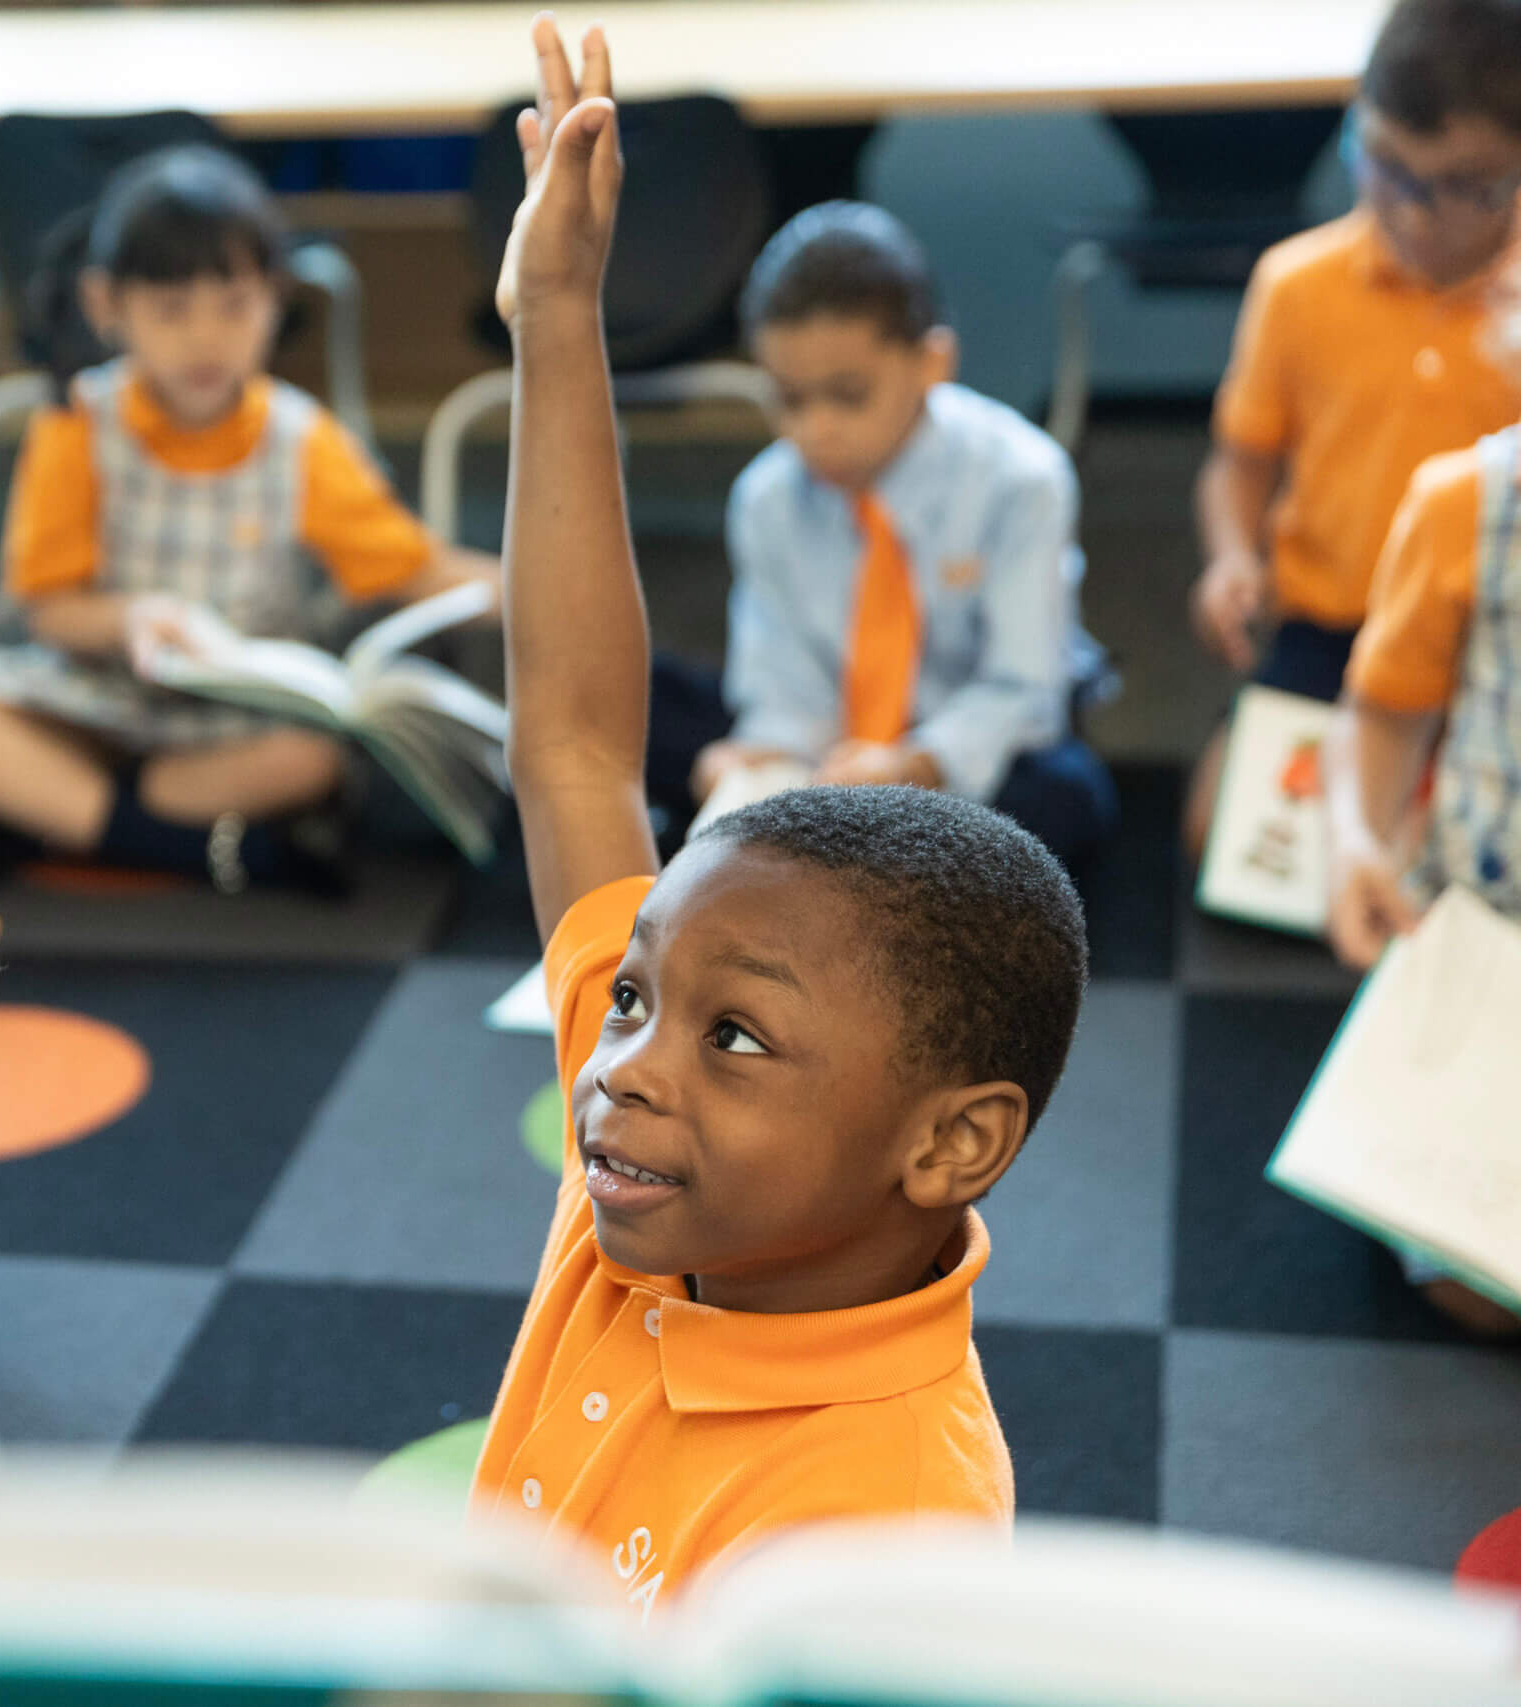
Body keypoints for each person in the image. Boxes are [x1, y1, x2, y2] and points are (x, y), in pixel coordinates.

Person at [474, 18, 1088, 1603]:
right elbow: (575, 752)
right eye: (631, 997)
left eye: (731, 1035)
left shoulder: (894, 1524)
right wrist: (555, 318)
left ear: (952, 1142)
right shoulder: (676, 1189)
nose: (615, 1073)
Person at [0, 144, 497, 895]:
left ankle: (76, 817)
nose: (205, 337)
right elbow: (49, 610)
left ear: (275, 300)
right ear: (105, 306)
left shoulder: (300, 436)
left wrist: (524, 590)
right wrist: (130, 619)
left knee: (313, 760)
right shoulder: (79, 421)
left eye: (235, 305)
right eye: (172, 309)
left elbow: (412, 567)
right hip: (96, 701)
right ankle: (183, 845)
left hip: (235, 723)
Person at [644, 200, 1115, 870]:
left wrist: (912, 764)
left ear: (933, 362)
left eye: (847, 395)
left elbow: (1024, 690)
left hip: (959, 752)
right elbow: (781, 680)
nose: (816, 430)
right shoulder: (767, 495)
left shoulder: (1021, 477)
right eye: (789, 399)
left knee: (1066, 798)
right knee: (636, 707)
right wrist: (763, 757)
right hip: (833, 755)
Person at [1186, 0, 1521, 854]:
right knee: (1218, 831)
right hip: (1332, 624)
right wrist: (1232, 556)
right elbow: (1241, 461)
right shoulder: (1296, 286)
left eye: (1462, 186)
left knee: (1441, 845)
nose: (1411, 213)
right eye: (1386, 167)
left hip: (1489, 634)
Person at [1320, 267, 1521, 1340]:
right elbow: (1383, 714)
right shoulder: (1467, 506)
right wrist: (1356, 839)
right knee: (1469, 1286)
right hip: (1488, 943)